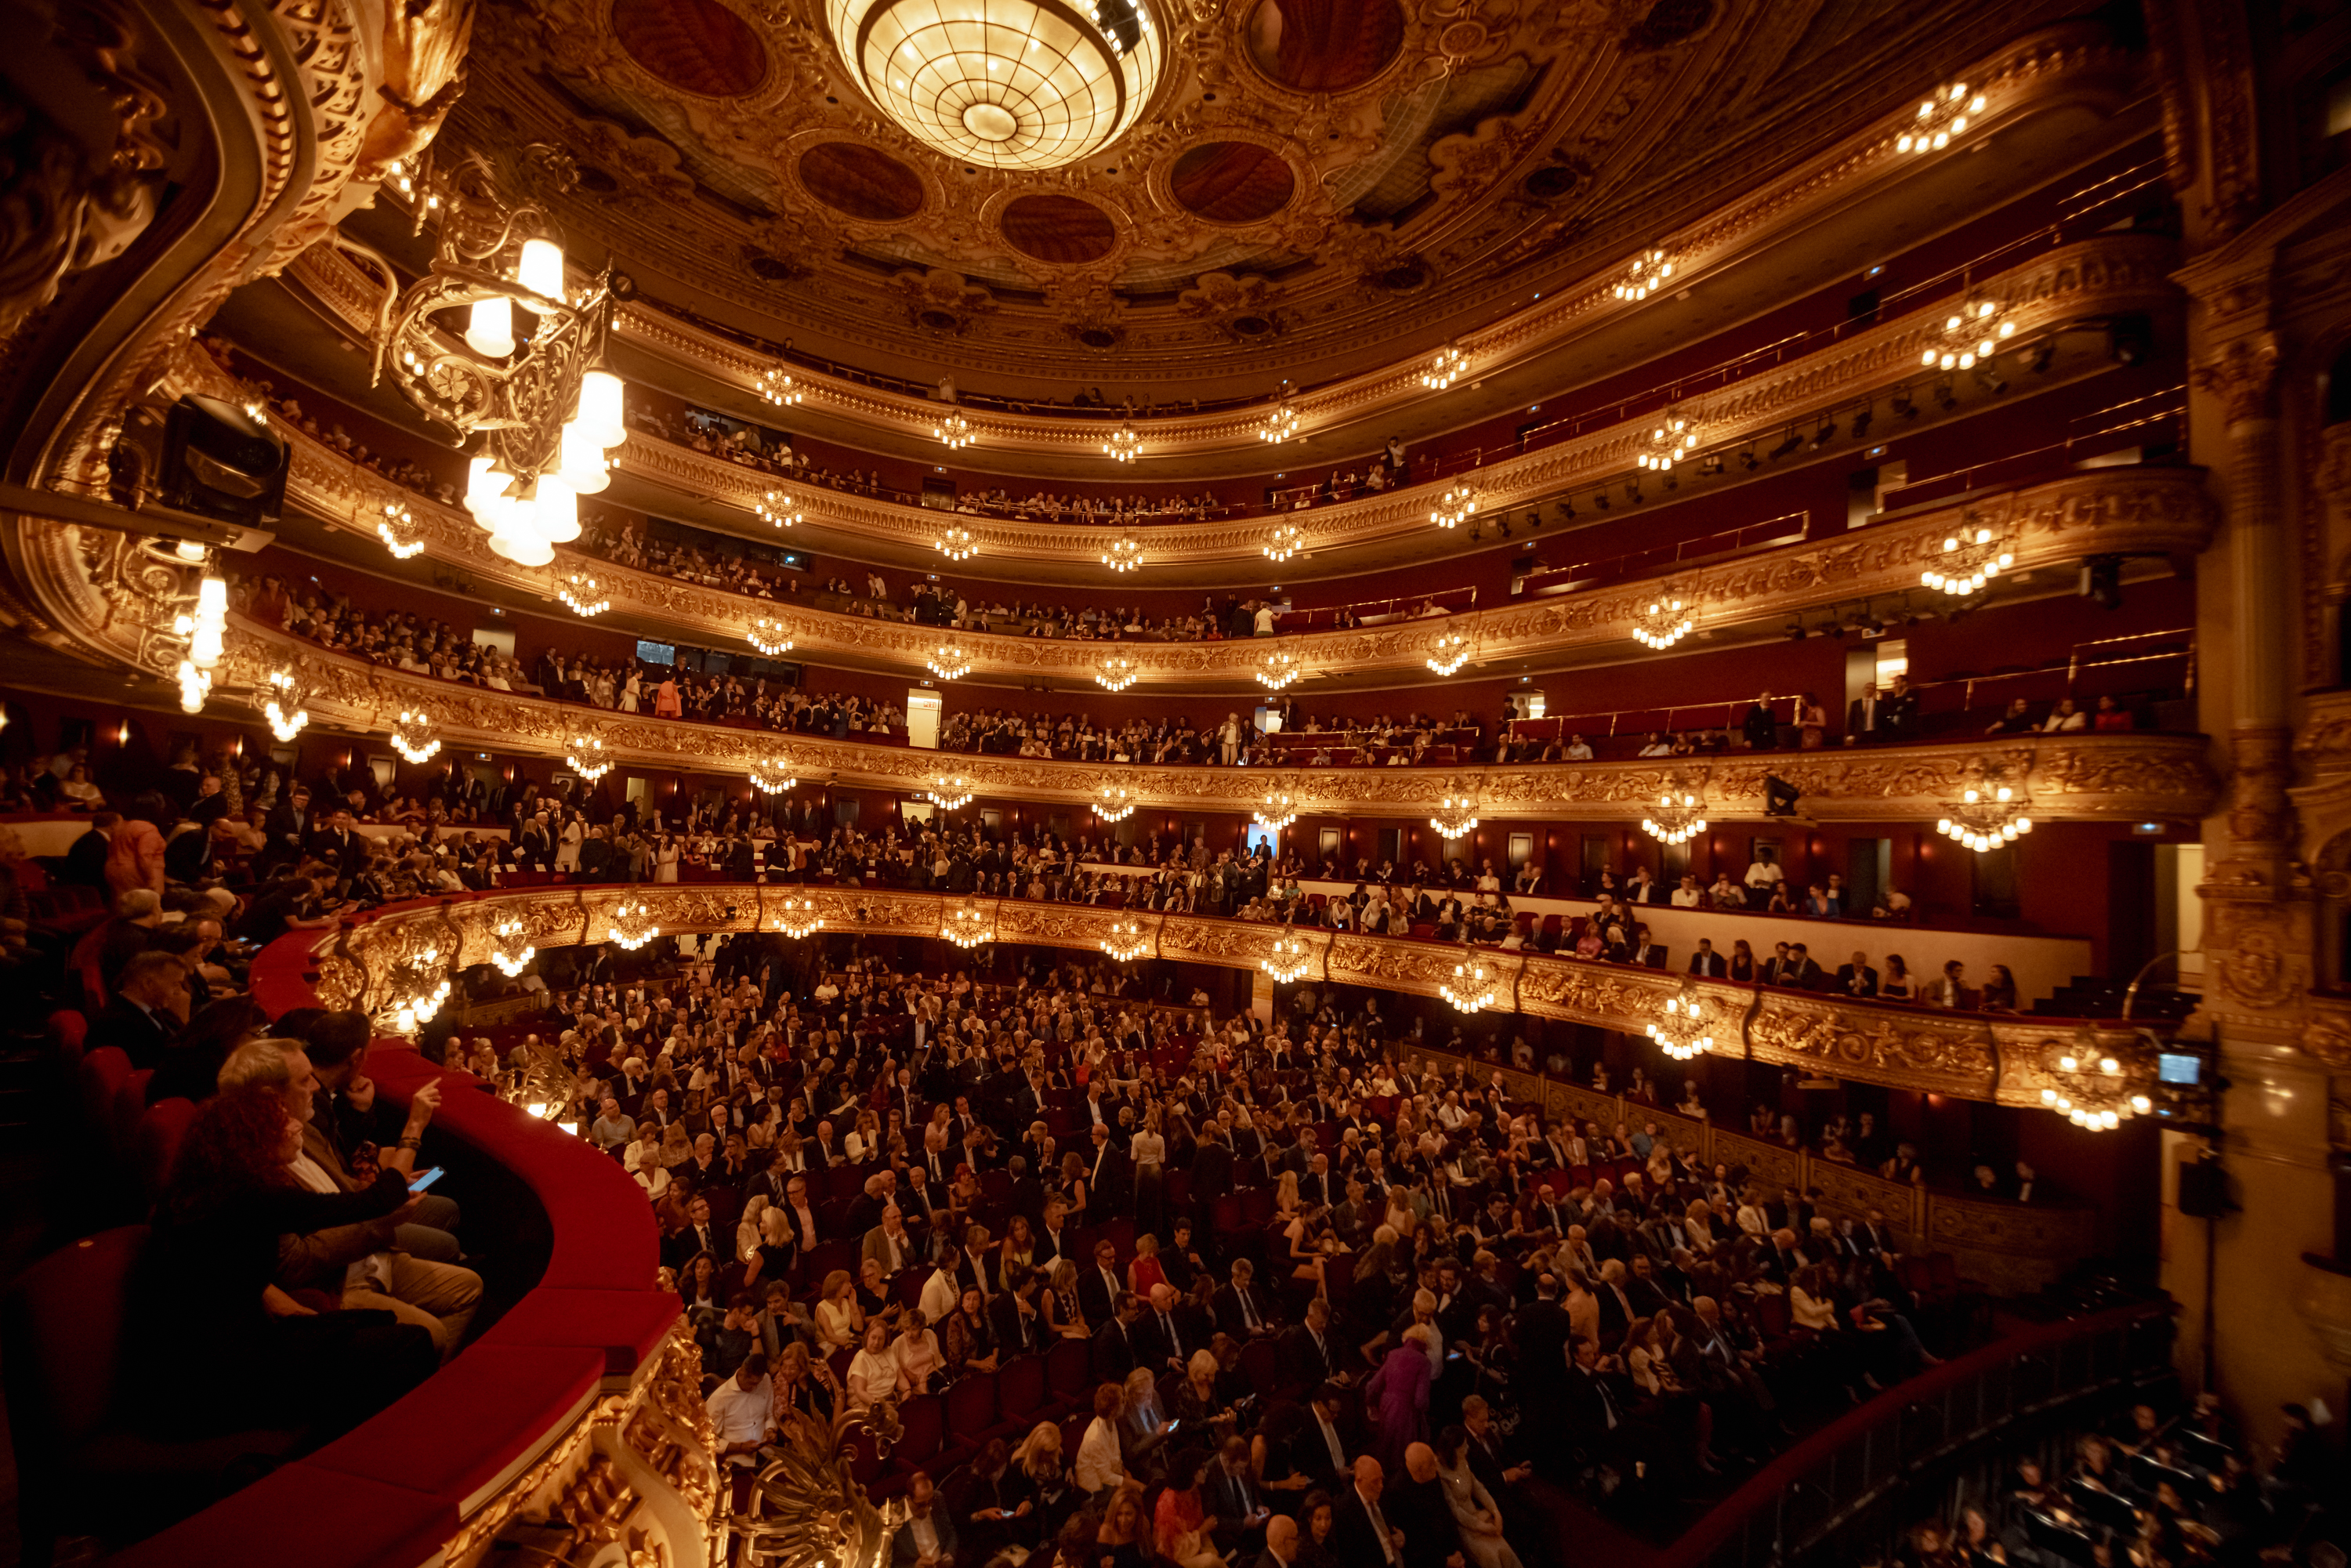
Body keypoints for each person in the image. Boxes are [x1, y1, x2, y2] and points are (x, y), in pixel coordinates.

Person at [130, 1085, 438, 1439]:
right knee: (411, 1342)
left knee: (375, 1326)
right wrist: (414, 1128)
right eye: (282, 1122)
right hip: (218, 1374)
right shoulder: (255, 1197)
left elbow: (216, 1267)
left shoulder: (204, 1188)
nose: (296, 1127)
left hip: (197, 1354)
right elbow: (379, 1201)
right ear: (254, 1140)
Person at [890, 1471, 958, 1568]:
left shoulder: (938, 1499)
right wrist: (914, 1566)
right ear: (908, 1499)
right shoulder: (893, 1518)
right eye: (921, 1505)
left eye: (930, 1502)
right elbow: (890, 1562)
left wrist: (950, 1554)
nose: (928, 1509)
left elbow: (950, 1532)